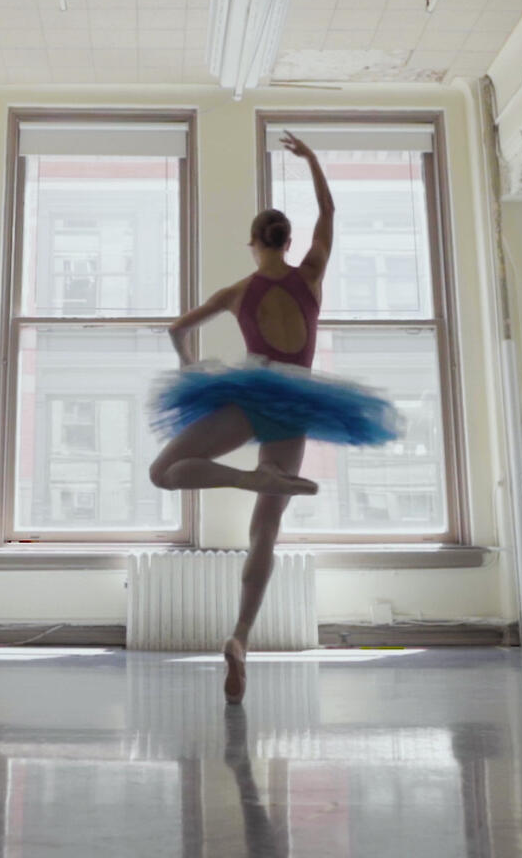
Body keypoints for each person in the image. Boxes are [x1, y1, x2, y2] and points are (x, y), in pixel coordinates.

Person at [148, 131, 399, 704]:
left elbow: (176, 328)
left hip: (250, 395)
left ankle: (246, 478)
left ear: (253, 242)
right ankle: (240, 637)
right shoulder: (310, 275)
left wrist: (189, 366)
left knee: (165, 471)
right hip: (301, 401)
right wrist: (311, 159)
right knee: (266, 529)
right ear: (286, 240)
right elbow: (329, 212)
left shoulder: (238, 290)